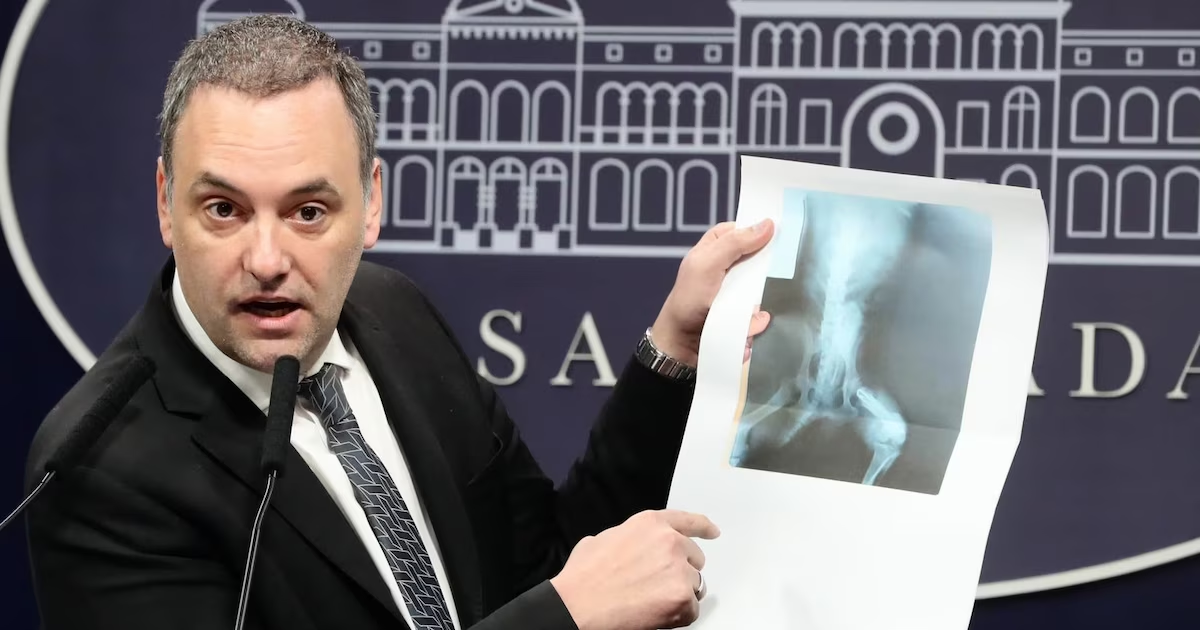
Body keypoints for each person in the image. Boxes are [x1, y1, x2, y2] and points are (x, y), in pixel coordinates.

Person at [23, 14, 774, 630]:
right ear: (165, 203)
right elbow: (563, 604)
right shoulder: (97, 468)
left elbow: (551, 566)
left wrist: (675, 348)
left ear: (372, 203)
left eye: (308, 211)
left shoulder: (394, 313)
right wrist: (561, 620)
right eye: (224, 209)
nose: (266, 259)